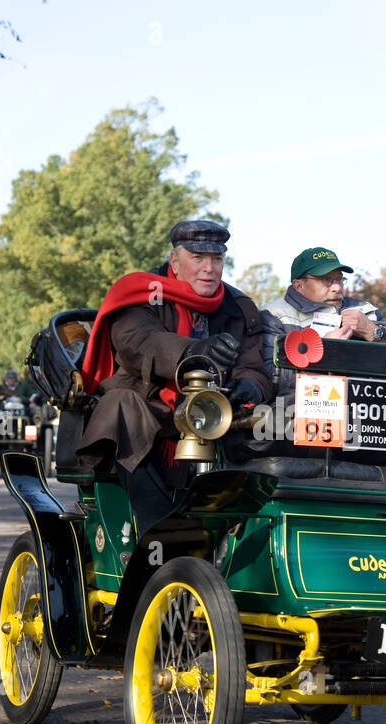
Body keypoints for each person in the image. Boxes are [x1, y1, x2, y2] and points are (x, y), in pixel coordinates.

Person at [77, 219, 273, 536]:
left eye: (217, 259)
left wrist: (248, 386)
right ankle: (160, 531)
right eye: (198, 258)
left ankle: (254, 540)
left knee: (274, 423)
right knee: (121, 405)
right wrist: (195, 351)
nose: (209, 268)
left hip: (215, 414)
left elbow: (254, 367)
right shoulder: (140, 293)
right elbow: (136, 343)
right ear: (175, 262)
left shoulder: (239, 307)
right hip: (149, 407)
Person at [262, 247, 386, 391]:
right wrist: (323, 351)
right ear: (299, 285)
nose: (337, 287)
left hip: (370, 412)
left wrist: (374, 331)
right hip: (300, 415)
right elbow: (269, 377)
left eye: (340, 279)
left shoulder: (365, 310)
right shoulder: (275, 314)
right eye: (326, 280)